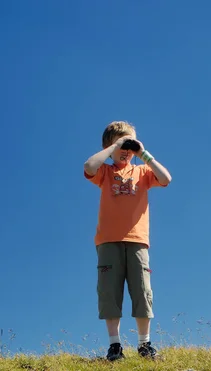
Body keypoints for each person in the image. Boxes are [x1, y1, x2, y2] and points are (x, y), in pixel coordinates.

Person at [83, 121, 172, 361]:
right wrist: (114, 146)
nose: (126, 150)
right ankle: (115, 346)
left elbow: (165, 179)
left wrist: (142, 152)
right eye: (122, 144)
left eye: (129, 144)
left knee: (142, 291)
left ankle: (145, 344)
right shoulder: (105, 172)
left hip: (137, 240)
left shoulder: (142, 172)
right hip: (108, 240)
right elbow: (89, 166)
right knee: (110, 293)